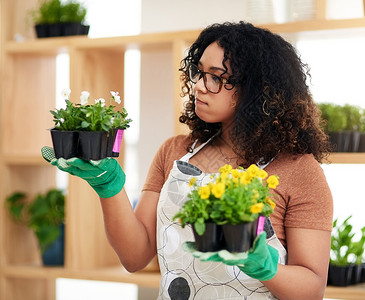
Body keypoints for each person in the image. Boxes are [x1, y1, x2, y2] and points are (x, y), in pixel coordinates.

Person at [42, 21, 333, 300]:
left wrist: (267, 269)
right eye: (198, 72)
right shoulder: (174, 151)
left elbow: (312, 290)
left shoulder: (300, 171)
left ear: (257, 91)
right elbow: (135, 257)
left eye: (216, 77)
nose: (199, 86)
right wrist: (109, 187)